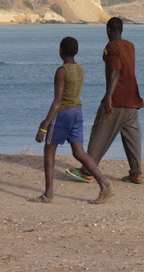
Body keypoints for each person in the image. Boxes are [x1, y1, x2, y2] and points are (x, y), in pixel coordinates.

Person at [29, 36, 114, 204]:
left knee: (49, 150)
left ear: (61, 51)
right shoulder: (80, 69)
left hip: (63, 114)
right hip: (77, 112)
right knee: (79, 152)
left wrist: (44, 125)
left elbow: (58, 101)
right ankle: (104, 184)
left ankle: (48, 193)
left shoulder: (62, 71)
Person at [65, 16, 144, 185]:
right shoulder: (130, 46)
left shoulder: (111, 47)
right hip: (133, 99)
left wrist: (109, 96)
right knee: (133, 138)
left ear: (108, 30)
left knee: (100, 133)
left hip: (116, 100)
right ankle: (136, 173)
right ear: (121, 30)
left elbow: (115, 71)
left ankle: (87, 171)